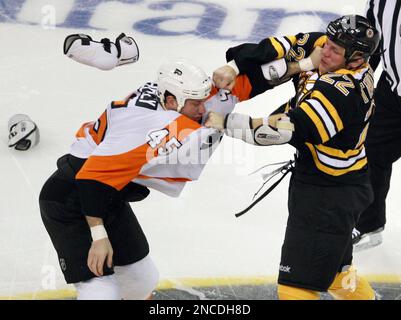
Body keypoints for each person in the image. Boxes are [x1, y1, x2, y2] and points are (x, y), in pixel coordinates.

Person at [39, 55, 272, 300]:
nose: (203, 109)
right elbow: (89, 179)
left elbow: (241, 82)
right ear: (171, 101)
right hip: (70, 197)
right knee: (100, 291)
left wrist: (304, 64)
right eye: (197, 103)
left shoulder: (176, 95)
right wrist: (99, 236)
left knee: (141, 279)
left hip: (108, 193)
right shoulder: (150, 126)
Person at [206, 15, 380, 300]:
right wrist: (233, 66)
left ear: (357, 59)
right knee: (337, 274)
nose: (326, 50)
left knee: (295, 285)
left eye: (336, 50)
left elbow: (280, 131)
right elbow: (277, 47)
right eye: (328, 43)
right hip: (333, 180)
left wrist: (228, 123)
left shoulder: (343, 93)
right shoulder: (327, 47)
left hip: (329, 194)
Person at [351, 0, 401, 250]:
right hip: (393, 91)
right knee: (371, 152)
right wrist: (359, 82)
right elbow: (374, 40)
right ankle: (369, 223)